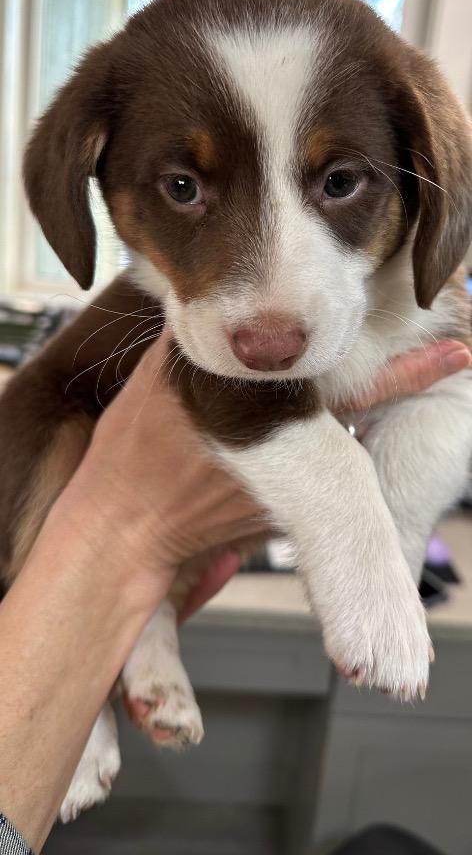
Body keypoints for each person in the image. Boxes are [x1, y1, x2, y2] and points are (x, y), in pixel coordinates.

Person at [0, 334, 469, 854]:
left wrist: (392, 538)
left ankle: (143, 641)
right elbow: (239, 393)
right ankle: (103, 686)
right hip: (67, 425)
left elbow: (450, 401)